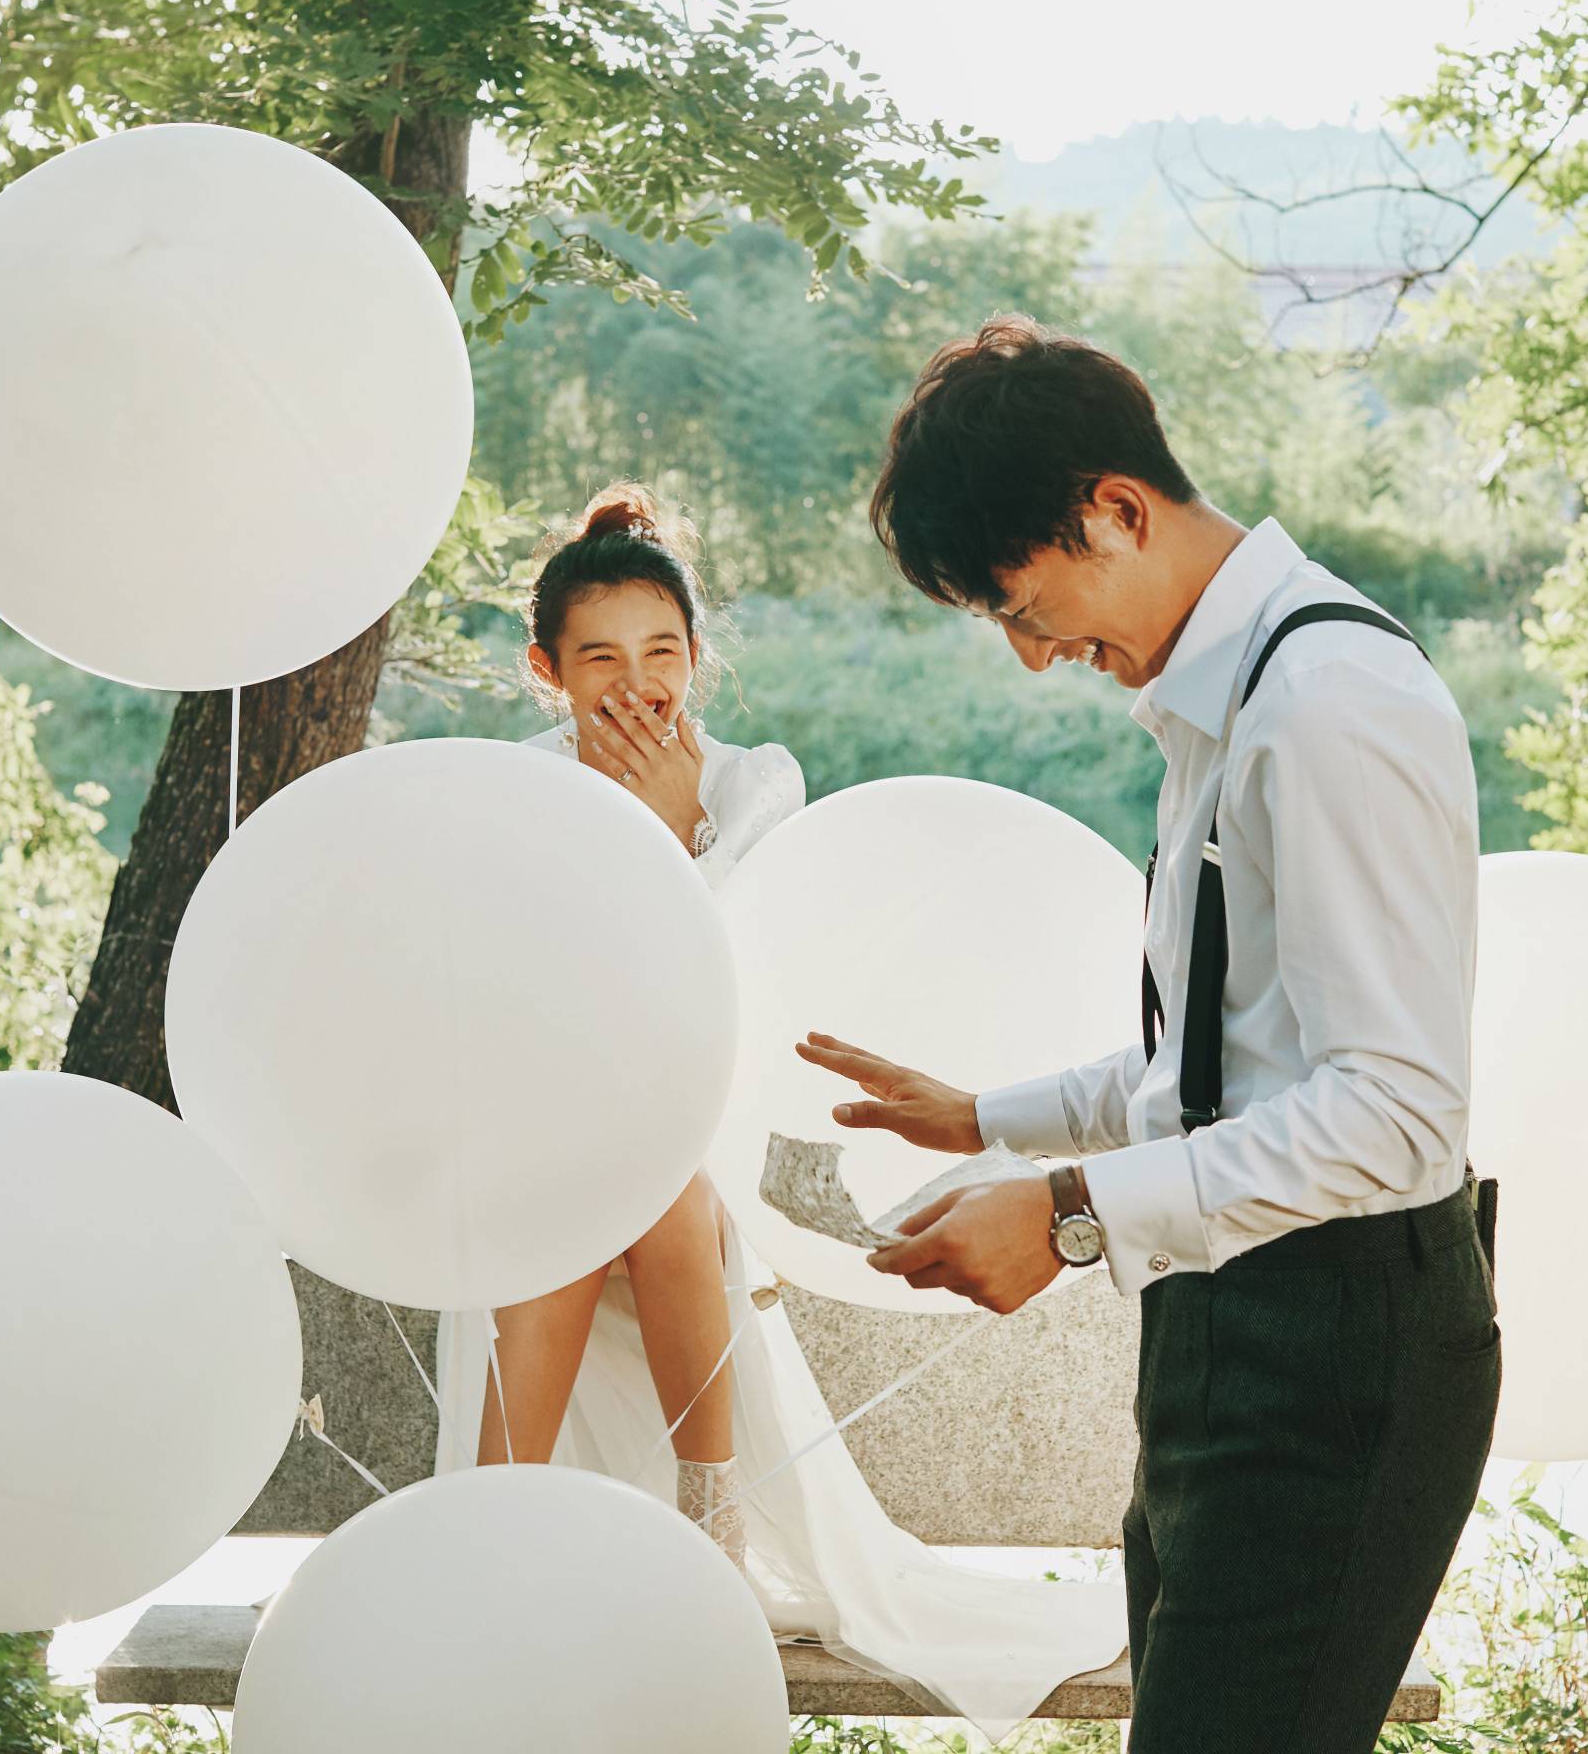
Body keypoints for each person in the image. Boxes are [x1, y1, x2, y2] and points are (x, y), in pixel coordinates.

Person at [799, 317, 1499, 1752]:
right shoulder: (1224, 700)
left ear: (1115, 509)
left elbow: (1394, 1114)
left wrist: (1066, 1213)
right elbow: (1227, 1071)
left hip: (1337, 1348)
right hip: (1225, 1325)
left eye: (1024, 605)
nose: (1034, 657)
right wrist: (987, 1119)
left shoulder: (1327, 706)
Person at [431, 483, 1126, 1741]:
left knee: (658, 1190)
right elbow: (515, 985)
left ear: (696, 657)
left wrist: (671, 829)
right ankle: (493, 1535)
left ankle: (714, 1526)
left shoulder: (752, 783)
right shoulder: (520, 788)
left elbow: (741, 984)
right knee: (568, 1214)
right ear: (547, 671)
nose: (636, 686)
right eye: (599, 660)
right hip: (554, 1111)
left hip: (702, 1112)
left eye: (661, 654)